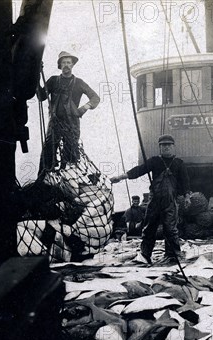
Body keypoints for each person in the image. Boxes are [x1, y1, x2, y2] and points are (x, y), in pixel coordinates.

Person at [111, 135, 191, 265]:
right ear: (159, 147)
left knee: (170, 230)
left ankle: (173, 256)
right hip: (154, 202)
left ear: (173, 147)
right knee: (149, 229)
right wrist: (121, 177)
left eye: (169, 145)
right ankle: (145, 255)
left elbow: (185, 182)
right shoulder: (154, 161)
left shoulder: (179, 163)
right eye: (163, 145)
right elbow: (139, 170)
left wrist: (187, 196)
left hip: (170, 202)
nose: (166, 147)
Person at [37, 51, 101, 171]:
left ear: (72, 65)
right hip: (55, 123)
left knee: (70, 155)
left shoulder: (79, 83)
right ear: (60, 65)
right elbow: (41, 96)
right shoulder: (53, 81)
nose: (66, 65)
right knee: (48, 152)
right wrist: (36, 75)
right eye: (63, 62)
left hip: (72, 124)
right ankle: (45, 178)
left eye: (68, 62)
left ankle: (69, 182)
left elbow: (95, 98)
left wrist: (83, 108)